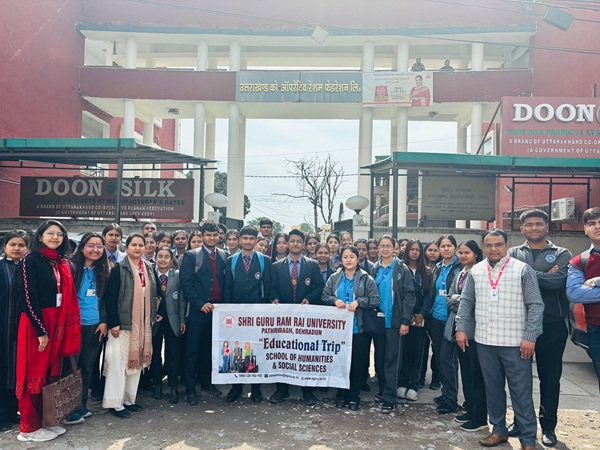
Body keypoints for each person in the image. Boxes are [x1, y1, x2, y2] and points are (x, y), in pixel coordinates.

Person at [455, 229, 544, 450]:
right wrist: (461, 328)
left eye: (498, 244)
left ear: (506, 246)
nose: (493, 249)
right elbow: (466, 301)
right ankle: (498, 430)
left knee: (521, 392)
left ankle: (528, 439)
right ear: (483, 247)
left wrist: (530, 337)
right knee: (493, 389)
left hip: (515, 343)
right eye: (489, 245)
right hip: (485, 340)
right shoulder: (476, 271)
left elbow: (535, 305)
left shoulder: (522, 270)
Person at [508, 209, 572, 446]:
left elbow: (560, 281)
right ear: (522, 228)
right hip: (519, 324)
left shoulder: (561, 253)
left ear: (547, 226)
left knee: (550, 378)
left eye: (538, 224)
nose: (534, 228)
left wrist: (528, 275)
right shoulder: (513, 253)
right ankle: (520, 422)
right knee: (519, 378)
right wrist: (544, 275)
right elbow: (510, 281)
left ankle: (548, 427)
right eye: (529, 224)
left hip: (552, 325)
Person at [15, 220, 81, 442]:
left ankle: (45, 421)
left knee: (49, 374)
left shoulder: (60, 263)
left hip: (57, 324)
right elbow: (27, 298)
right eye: (50, 233)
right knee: (33, 374)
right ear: (40, 235)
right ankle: (28, 428)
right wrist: (40, 330)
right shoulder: (30, 260)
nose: (55, 237)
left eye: (59, 234)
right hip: (37, 325)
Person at [103, 233, 157, 419]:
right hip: (122, 325)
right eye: (134, 245)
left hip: (142, 325)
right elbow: (110, 298)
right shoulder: (119, 268)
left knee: (136, 363)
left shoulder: (148, 268)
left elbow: (152, 295)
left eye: (141, 245)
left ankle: (128, 400)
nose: (138, 248)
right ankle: (114, 403)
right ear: (126, 247)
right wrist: (114, 323)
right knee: (118, 364)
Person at [270, 229, 325, 406]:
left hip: (305, 319)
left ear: (304, 245)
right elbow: (272, 287)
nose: (295, 244)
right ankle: (282, 389)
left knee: (304, 353)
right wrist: (275, 298)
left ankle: (307, 391)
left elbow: (320, 287)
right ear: (287, 244)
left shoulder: (313, 265)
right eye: (292, 241)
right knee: (282, 352)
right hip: (284, 319)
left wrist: (309, 299)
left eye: (298, 241)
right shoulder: (276, 266)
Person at [322, 245, 380, 411]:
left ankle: (354, 396)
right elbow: (324, 296)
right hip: (339, 331)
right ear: (341, 259)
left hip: (358, 329)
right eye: (345, 257)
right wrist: (334, 300)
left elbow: (375, 300)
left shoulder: (366, 279)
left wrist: (359, 302)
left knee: (357, 364)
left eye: (351, 257)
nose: (348, 260)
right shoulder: (334, 277)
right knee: (340, 363)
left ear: (357, 258)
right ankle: (341, 394)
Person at [179, 221, 227, 405]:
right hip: (198, 311)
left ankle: (207, 382)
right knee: (193, 350)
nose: (212, 238)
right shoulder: (192, 256)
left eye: (215, 235)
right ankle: (190, 388)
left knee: (211, 349)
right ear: (202, 235)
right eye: (208, 235)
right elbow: (186, 284)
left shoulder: (224, 255)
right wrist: (200, 304)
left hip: (218, 311)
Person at [223, 226, 271, 403]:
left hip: (257, 313)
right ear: (240, 240)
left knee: (255, 349)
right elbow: (228, 286)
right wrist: (227, 310)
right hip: (236, 314)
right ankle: (236, 387)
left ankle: (256, 388)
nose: (248, 241)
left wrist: (265, 309)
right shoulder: (232, 260)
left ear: (256, 240)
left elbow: (268, 286)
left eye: (251, 238)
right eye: (245, 238)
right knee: (237, 349)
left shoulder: (264, 260)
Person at [444, 240, 488, 432]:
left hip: (475, 331)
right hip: (460, 329)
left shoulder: (481, 272)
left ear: (476, 254)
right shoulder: (459, 273)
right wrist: (460, 300)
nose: (462, 256)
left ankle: (480, 416)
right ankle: (470, 409)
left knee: (476, 375)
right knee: (466, 373)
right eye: (460, 252)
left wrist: (459, 300)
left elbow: (477, 300)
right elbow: (449, 298)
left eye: (467, 252)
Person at [370, 236, 416, 414]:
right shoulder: (375, 268)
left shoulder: (401, 269)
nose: (385, 249)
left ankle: (390, 398)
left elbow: (409, 296)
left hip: (394, 322)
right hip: (378, 322)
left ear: (394, 248)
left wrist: (405, 321)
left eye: (388, 246)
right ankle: (383, 391)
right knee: (380, 359)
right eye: (382, 246)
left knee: (392, 360)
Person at [69, 233, 110, 420]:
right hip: (73, 325)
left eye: (99, 246)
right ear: (82, 247)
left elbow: (104, 299)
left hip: (94, 325)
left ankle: (81, 404)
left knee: (87, 367)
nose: (96, 250)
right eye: (91, 245)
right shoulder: (71, 268)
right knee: (71, 368)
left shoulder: (103, 270)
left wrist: (103, 321)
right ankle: (68, 407)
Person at [425, 235, 462, 412]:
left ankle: (451, 400)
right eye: (443, 246)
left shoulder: (460, 267)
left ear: (455, 248)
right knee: (440, 358)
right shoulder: (438, 268)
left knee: (449, 360)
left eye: (449, 246)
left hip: (451, 320)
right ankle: (446, 393)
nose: (446, 249)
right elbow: (432, 294)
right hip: (437, 319)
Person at [567, 207, 600, 392]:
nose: (597, 227)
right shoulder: (580, 261)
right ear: (585, 229)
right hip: (596, 331)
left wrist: (596, 281)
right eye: (592, 223)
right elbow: (575, 294)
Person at [0, 230, 29, 432]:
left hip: (21, 329)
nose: (17, 248)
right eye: (13, 244)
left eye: (21, 245)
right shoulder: (1, 267)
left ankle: (12, 410)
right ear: (5, 247)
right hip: (3, 326)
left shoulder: (27, 269)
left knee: (16, 371)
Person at [151, 247, 186, 404]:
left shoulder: (177, 275)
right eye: (160, 256)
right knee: (155, 354)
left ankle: (173, 387)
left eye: (167, 257)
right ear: (155, 258)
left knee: (173, 354)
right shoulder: (150, 274)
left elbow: (182, 300)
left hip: (173, 320)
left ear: (172, 260)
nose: (163, 259)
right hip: (155, 321)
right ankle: (157, 384)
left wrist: (183, 320)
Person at [397, 239, 431, 402]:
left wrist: (422, 313)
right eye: (412, 249)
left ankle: (413, 384)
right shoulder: (400, 269)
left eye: (417, 249)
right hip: (403, 316)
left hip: (419, 318)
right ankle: (402, 382)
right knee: (403, 350)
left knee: (417, 351)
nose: (414, 252)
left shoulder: (427, 272)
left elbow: (429, 296)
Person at [418, 240, 443, 388]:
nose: (432, 253)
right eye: (430, 250)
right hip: (423, 313)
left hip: (437, 315)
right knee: (422, 348)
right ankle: (420, 377)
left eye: (435, 250)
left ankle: (436, 378)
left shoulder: (441, 268)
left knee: (437, 349)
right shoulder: (421, 268)